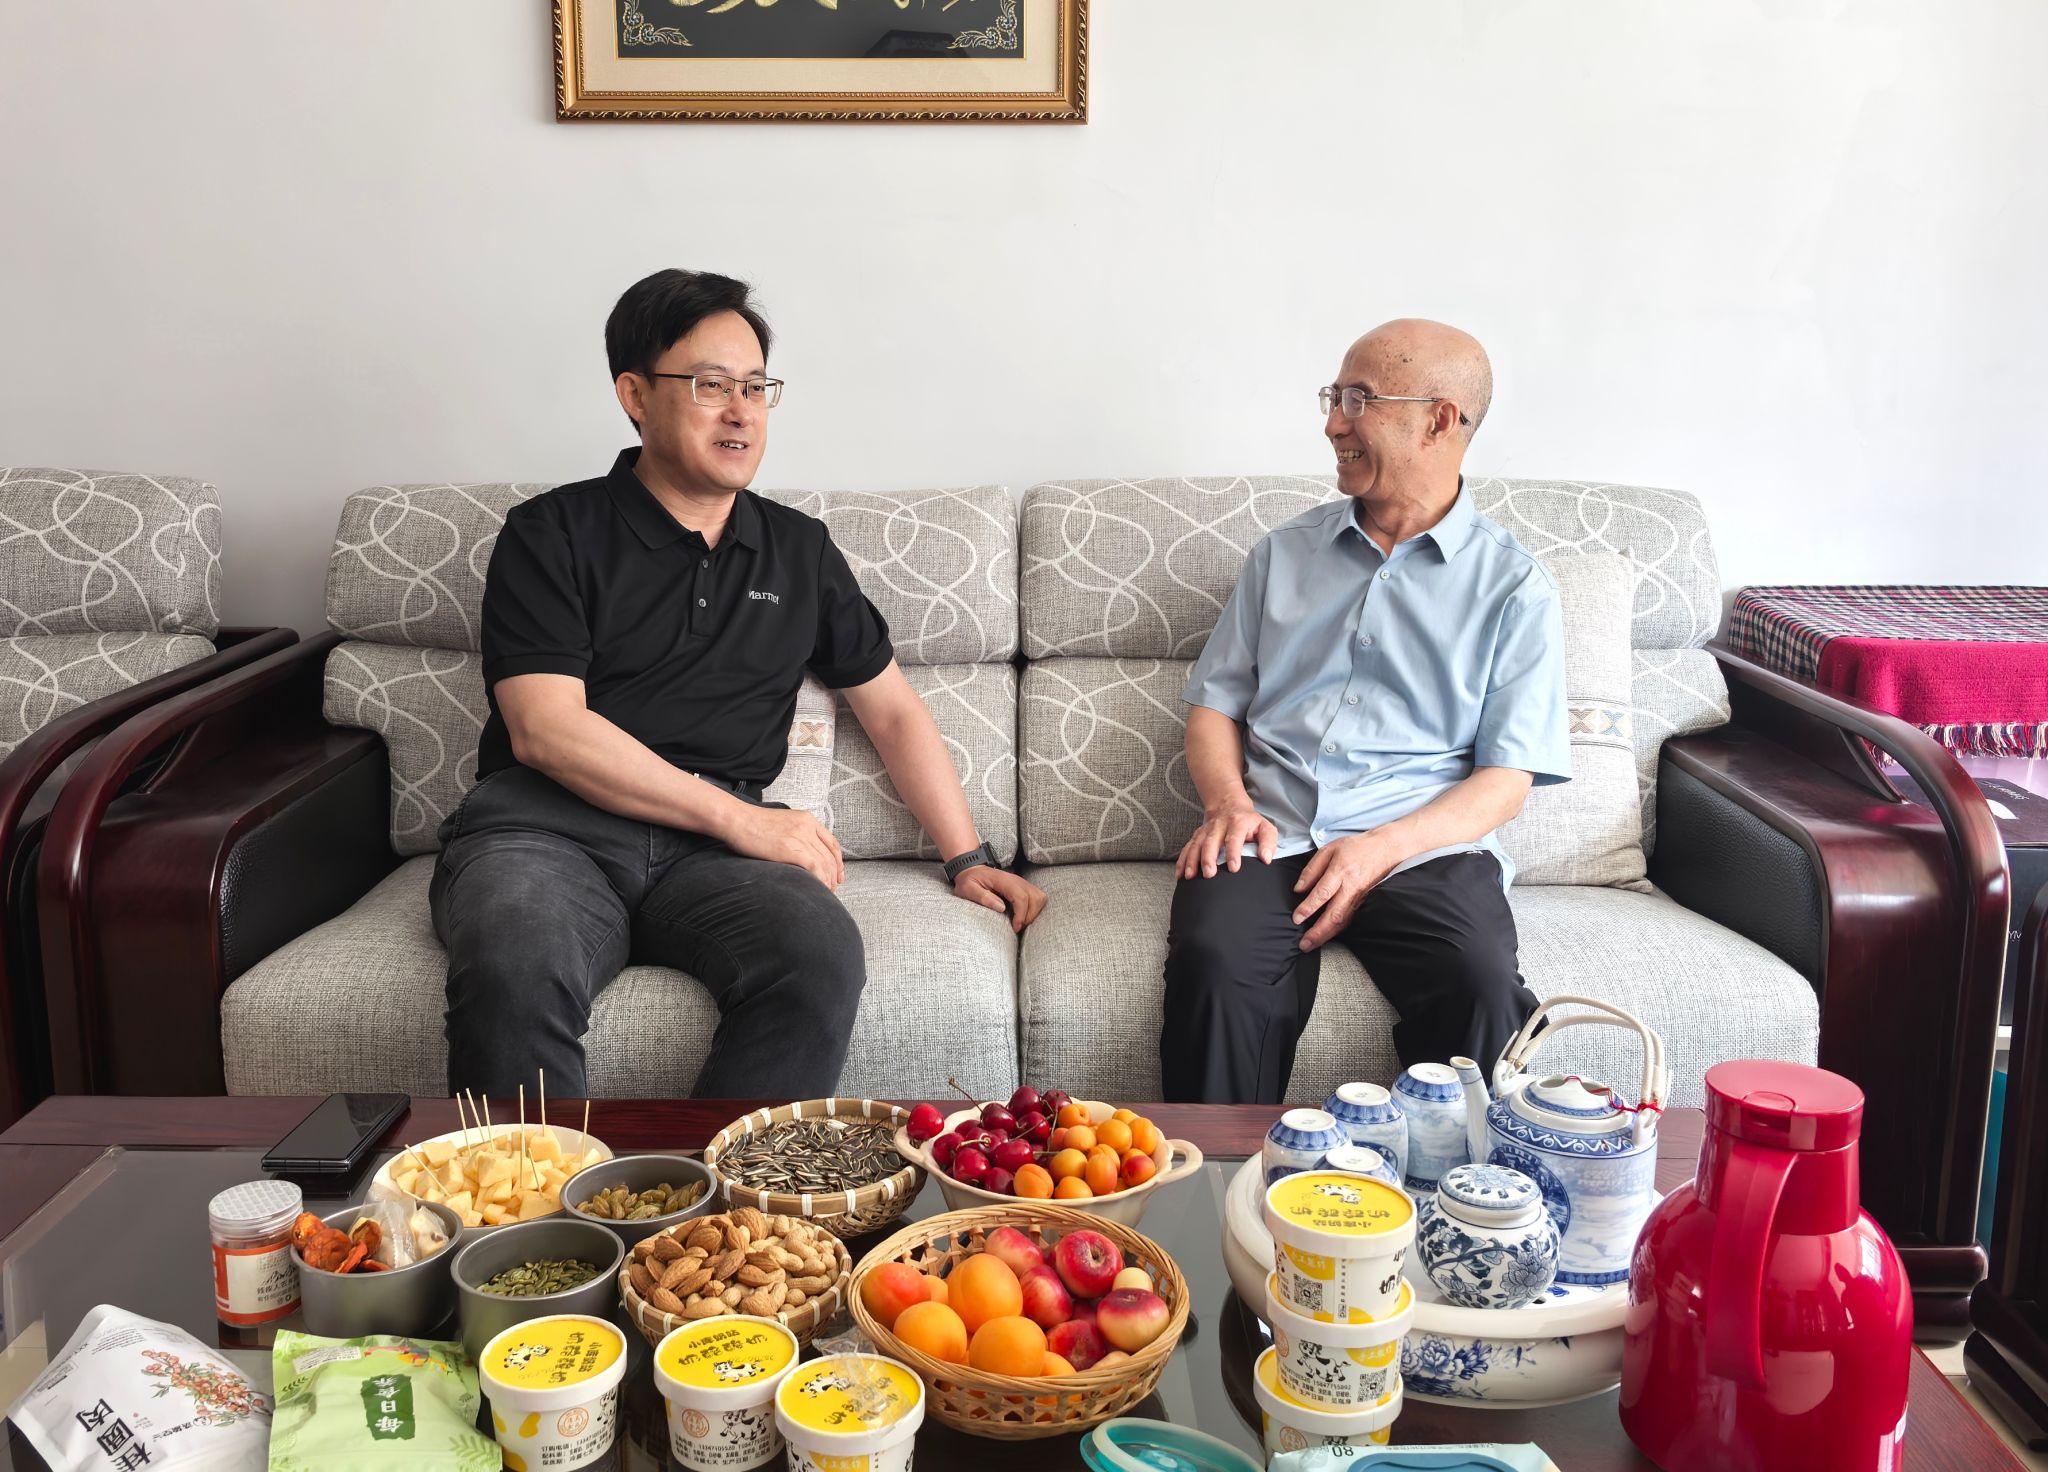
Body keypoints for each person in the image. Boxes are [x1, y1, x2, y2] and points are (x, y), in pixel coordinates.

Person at [435, 268, 1047, 1099]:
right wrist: (747, 820)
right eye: (711, 385)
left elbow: (894, 713)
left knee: (817, 954)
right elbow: (547, 730)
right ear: (635, 395)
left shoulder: (798, 550)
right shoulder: (552, 533)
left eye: (756, 388)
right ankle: (541, 1191)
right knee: (514, 960)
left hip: (712, 862)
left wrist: (967, 857)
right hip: (547, 834)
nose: (741, 412)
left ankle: (723, 1186)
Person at [1160, 319, 1569, 1104]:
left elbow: (1507, 778)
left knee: (1482, 986)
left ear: (1439, 420)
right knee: (1212, 964)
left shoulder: (1515, 587)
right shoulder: (1283, 554)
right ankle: (1216, 1178)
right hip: (1270, 832)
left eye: (1358, 400)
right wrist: (1227, 804)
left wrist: (1377, 850)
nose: (1332, 425)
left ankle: (1464, 1176)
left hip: (1423, 846)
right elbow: (1214, 707)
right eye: (1334, 397)